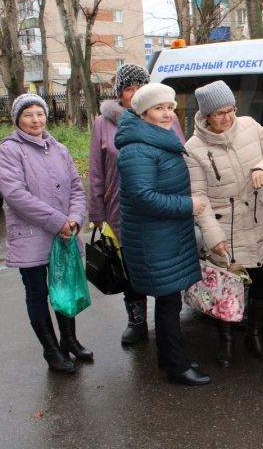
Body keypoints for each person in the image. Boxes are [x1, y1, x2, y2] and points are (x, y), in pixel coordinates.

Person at [115, 83, 210, 386]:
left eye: (170, 107)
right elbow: (143, 196)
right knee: (168, 302)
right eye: (159, 108)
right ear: (143, 113)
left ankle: (172, 358)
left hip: (167, 233)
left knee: (170, 301)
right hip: (152, 238)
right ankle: (176, 367)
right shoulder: (136, 148)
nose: (167, 113)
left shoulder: (158, 138)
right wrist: (188, 205)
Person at [184, 80, 263, 368]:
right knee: (225, 288)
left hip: (259, 221)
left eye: (231, 110)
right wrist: (213, 238)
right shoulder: (194, 148)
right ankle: (226, 343)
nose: (227, 118)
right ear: (206, 116)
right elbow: (198, 197)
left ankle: (254, 335)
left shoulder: (250, 126)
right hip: (225, 227)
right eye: (220, 113)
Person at [89, 64, 186, 346]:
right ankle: (137, 320)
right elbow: (97, 171)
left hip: (161, 206)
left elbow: (181, 157)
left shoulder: (166, 117)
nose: (133, 94)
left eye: (139, 87)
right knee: (129, 266)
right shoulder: (103, 123)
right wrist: (97, 212)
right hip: (120, 209)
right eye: (128, 89)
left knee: (163, 263)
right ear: (119, 93)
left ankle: (168, 321)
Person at [0, 93, 92, 373]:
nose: (35, 119)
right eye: (28, 114)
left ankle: (70, 341)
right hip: (30, 236)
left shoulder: (58, 148)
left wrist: (73, 220)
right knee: (37, 294)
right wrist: (58, 222)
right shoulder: (10, 150)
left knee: (64, 288)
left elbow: (76, 186)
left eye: (39, 113)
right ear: (17, 119)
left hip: (63, 233)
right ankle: (51, 351)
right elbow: (16, 195)